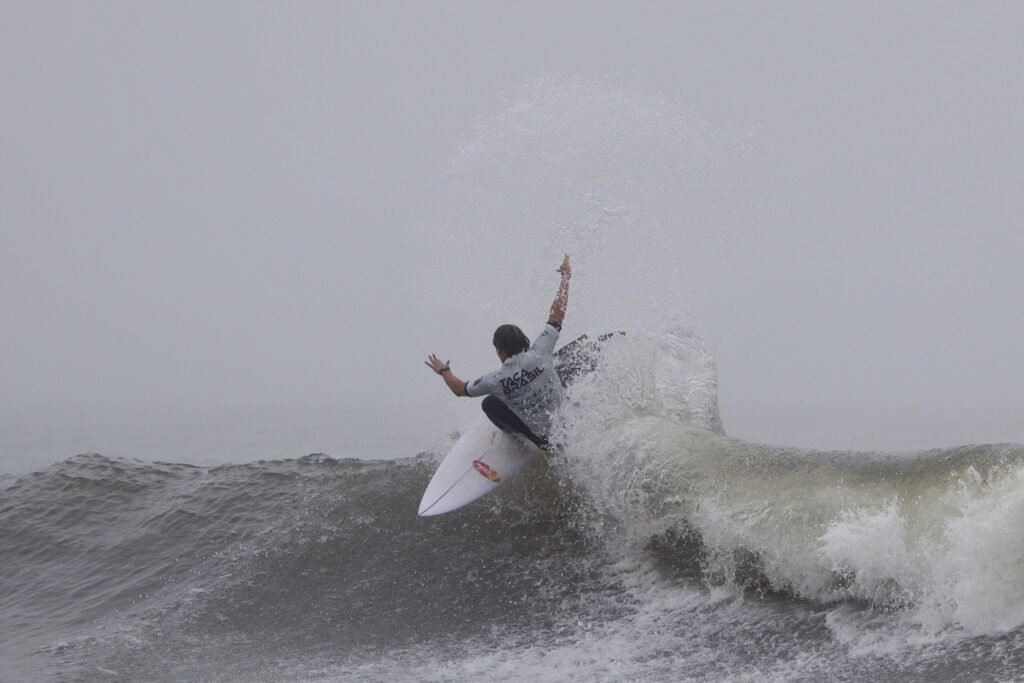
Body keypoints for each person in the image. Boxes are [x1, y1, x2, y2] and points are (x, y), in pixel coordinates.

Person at [425, 255, 571, 451]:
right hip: (564, 421)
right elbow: (557, 313)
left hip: (542, 435)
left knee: (489, 403)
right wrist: (565, 279)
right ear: (524, 340)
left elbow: (459, 389)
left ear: (500, 350)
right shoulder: (541, 351)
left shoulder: (495, 380)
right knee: (555, 365)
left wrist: (444, 370)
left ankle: (528, 439)